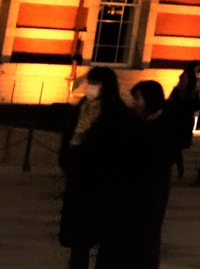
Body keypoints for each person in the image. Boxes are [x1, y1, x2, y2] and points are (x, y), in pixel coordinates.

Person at [57, 66, 130, 269]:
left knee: (98, 234)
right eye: (89, 82)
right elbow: (69, 134)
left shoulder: (115, 112)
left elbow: (114, 147)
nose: (89, 88)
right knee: (78, 236)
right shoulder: (82, 106)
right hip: (78, 179)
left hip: (100, 181)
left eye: (94, 84)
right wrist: (67, 158)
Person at [128, 79, 183, 268]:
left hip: (152, 187)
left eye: (138, 98)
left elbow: (162, 158)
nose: (135, 103)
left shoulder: (165, 124)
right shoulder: (134, 122)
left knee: (148, 232)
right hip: (133, 187)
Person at [166, 65, 200, 183]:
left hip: (185, 122)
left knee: (176, 147)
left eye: (187, 78)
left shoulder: (192, 92)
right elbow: (169, 103)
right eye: (183, 78)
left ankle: (177, 168)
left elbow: (197, 106)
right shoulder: (177, 90)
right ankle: (176, 168)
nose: (184, 80)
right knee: (174, 147)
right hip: (174, 122)